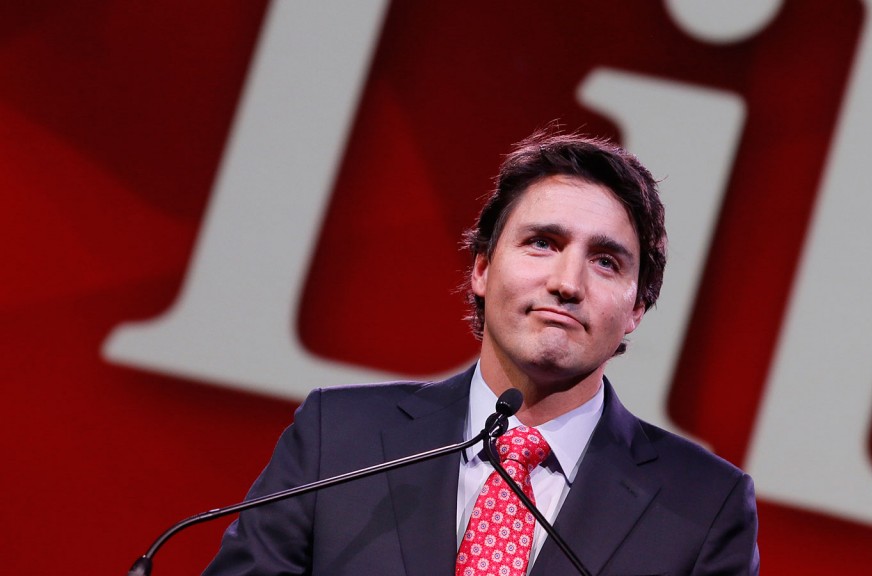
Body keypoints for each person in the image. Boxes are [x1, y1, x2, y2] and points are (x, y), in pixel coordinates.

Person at [203, 129, 760, 575]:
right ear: (483, 268)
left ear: (637, 308)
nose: (567, 283)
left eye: (606, 261)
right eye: (543, 243)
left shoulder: (703, 506)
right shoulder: (339, 439)